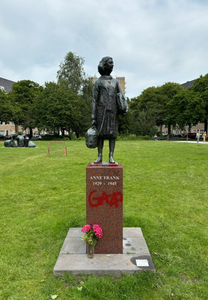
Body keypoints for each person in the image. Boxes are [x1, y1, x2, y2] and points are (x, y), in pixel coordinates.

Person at [92, 56, 128, 163]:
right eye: (110, 62)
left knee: (112, 134)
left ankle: (111, 156)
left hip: (113, 111)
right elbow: (94, 100)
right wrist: (93, 117)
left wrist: (125, 107)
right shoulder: (98, 82)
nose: (112, 64)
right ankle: (100, 155)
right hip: (101, 112)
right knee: (100, 135)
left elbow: (121, 96)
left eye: (112, 63)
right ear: (104, 64)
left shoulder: (115, 82)